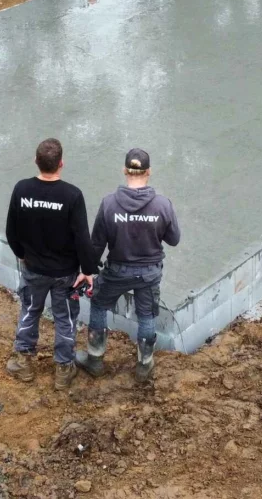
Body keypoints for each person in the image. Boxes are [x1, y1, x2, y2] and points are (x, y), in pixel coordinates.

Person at [77, 148, 180, 383]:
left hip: (117, 272)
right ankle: (144, 365)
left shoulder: (109, 204)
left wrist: (87, 271)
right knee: (146, 315)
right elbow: (174, 240)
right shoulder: (163, 205)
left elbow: (96, 245)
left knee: (99, 305)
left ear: (125, 171)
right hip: (149, 273)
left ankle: (95, 359)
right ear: (149, 172)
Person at [4, 137, 96, 389]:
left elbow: (11, 230)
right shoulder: (72, 195)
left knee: (30, 310)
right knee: (65, 318)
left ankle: (23, 362)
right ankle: (64, 371)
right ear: (61, 164)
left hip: (33, 269)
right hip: (66, 273)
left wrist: (21, 253)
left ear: (36, 162)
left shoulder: (21, 190)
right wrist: (87, 270)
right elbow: (82, 238)